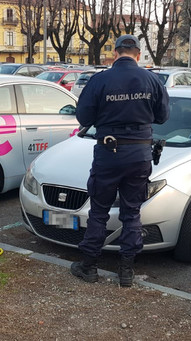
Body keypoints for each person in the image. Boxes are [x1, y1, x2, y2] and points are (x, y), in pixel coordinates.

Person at [71, 34, 170, 287]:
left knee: (99, 211)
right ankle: (126, 270)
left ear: (115, 53)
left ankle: (89, 266)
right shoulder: (153, 80)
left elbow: (83, 117)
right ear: (138, 54)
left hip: (108, 153)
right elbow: (162, 117)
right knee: (132, 212)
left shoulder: (100, 80)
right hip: (139, 154)